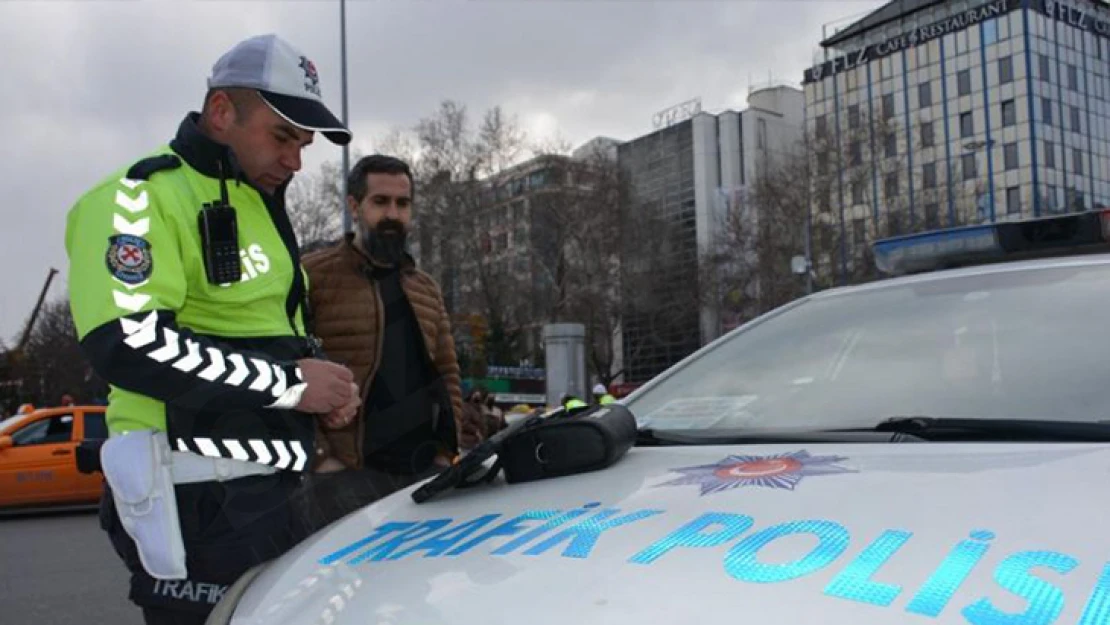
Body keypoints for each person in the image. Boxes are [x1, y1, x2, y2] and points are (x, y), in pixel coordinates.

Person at [64, 34, 359, 625]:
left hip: (268, 492)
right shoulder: (136, 198)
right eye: (282, 136)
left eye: (303, 144)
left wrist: (319, 383)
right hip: (194, 499)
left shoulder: (256, 200)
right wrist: (289, 385)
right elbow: (129, 342)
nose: (296, 160)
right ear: (222, 111)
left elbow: (257, 327)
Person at [298, 154, 462, 530]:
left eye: (402, 204)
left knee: (415, 583)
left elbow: (448, 374)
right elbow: (290, 367)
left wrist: (446, 452)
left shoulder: (425, 288)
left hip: (422, 474)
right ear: (354, 206)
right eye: (381, 202)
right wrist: (323, 457)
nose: (393, 214)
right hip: (347, 476)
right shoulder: (313, 275)